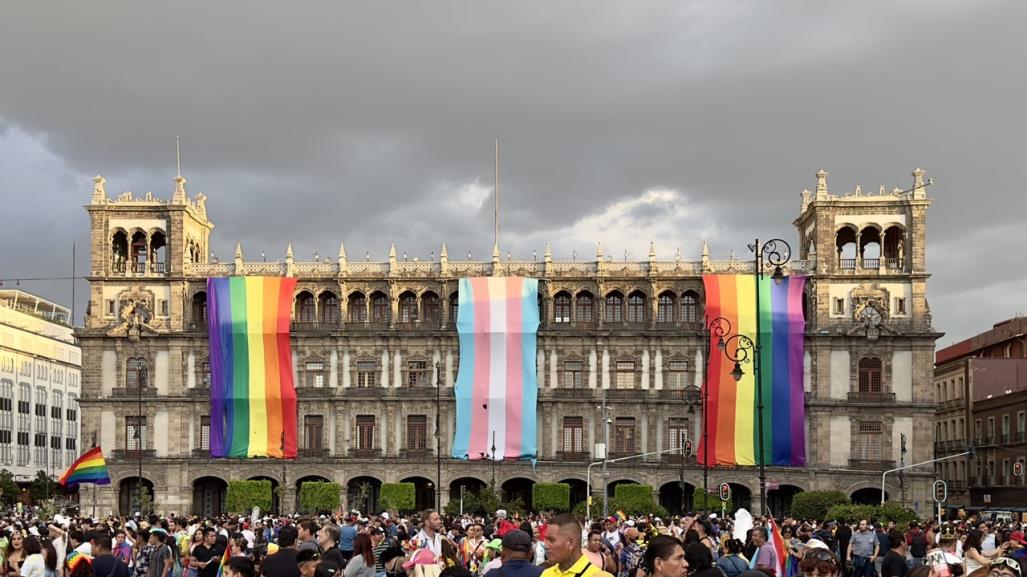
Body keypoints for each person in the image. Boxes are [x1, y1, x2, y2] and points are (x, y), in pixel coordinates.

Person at [540, 514, 614, 577]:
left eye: (551, 540)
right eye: (545, 539)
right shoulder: (546, 574)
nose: (546, 546)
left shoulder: (598, 575)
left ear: (571, 542)